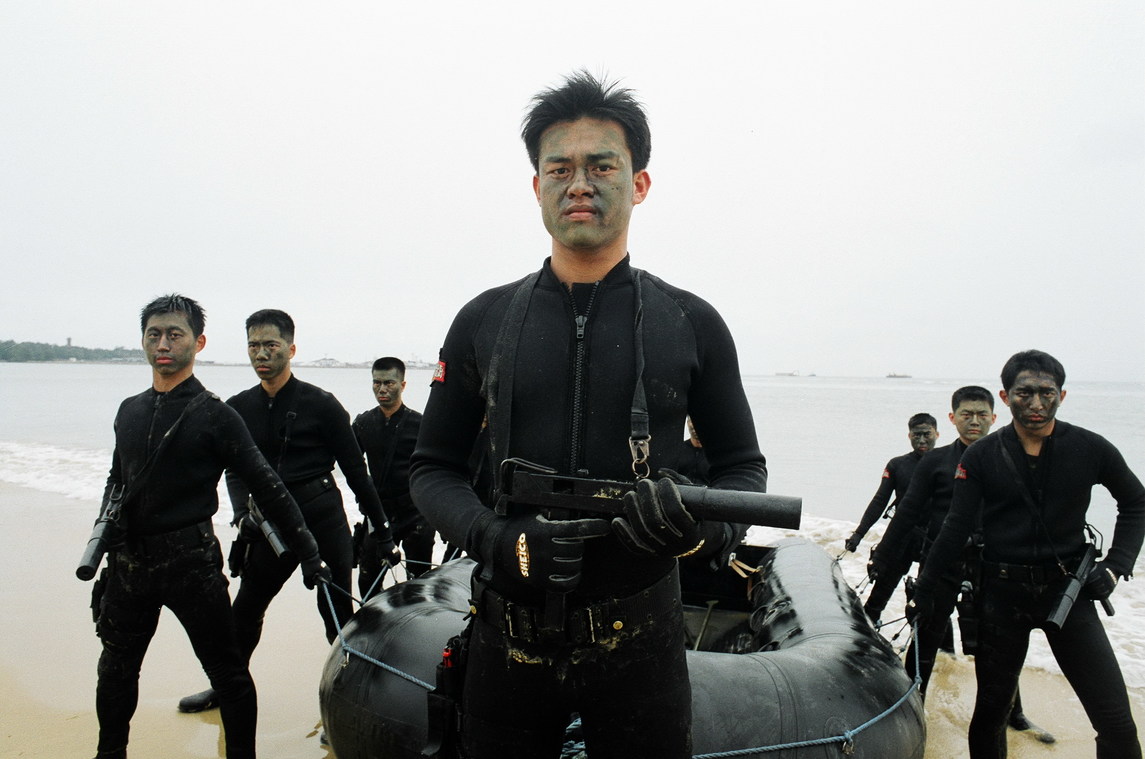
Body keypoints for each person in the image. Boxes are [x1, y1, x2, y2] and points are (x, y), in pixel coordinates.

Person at [409, 71, 767, 759]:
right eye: (560, 168)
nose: (579, 183)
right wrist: (496, 538)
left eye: (602, 166)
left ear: (639, 183)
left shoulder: (690, 322)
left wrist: (699, 534)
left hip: (642, 642)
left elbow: (743, 467)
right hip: (507, 638)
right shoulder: (483, 320)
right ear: (536, 185)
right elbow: (432, 467)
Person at [90, 294, 327, 759]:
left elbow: (269, 486)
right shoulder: (128, 410)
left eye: (174, 334)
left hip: (191, 563)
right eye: (154, 334)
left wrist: (309, 553)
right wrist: (104, 524)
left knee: (228, 674)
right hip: (130, 562)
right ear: (142, 340)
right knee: (115, 669)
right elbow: (117, 480)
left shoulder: (216, 415)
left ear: (198, 343)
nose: (163, 344)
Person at [913, 350, 1144, 759]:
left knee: (1116, 722)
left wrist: (1115, 567)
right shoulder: (980, 456)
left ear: (1062, 395)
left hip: (1068, 594)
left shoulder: (1089, 448)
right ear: (1005, 397)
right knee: (991, 714)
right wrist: (925, 590)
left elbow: (1136, 501)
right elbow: (955, 527)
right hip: (1001, 597)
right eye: (1024, 393)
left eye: (1046, 392)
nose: (1036, 403)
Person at [178, 309, 399, 714]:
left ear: (291, 349)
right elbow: (233, 469)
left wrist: (382, 532)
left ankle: (350, 701)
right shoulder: (239, 407)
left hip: (322, 518)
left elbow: (356, 473)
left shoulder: (323, 405)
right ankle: (226, 689)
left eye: (271, 345)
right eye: (253, 345)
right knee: (245, 611)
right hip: (270, 526)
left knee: (336, 613)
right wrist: (241, 513)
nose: (261, 354)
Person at [844, 412, 938, 622]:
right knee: (881, 590)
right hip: (902, 534)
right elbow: (879, 501)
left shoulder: (947, 464)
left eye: (927, 434)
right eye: (916, 435)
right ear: (909, 436)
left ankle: (934, 641)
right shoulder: (897, 465)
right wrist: (859, 534)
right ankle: (868, 626)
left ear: (937, 434)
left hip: (934, 538)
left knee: (932, 598)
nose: (922, 440)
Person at [353, 356, 435, 591]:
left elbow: (436, 470)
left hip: (415, 513)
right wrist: (363, 499)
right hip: (378, 513)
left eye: (389, 383)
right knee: (367, 581)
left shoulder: (420, 425)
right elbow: (351, 466)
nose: (382, 389)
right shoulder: (363, 423)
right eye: (377, 382)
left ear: (403, 385)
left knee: (419, 583)